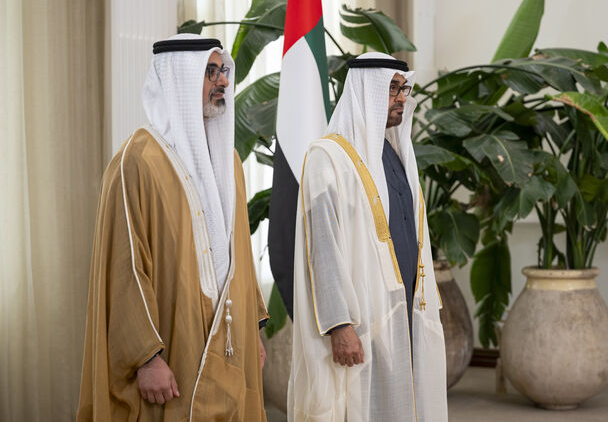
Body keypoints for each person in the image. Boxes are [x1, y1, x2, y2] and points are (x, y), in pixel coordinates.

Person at [77, 34, 269, 421]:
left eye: (222, 71)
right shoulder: (138, 159)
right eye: (209, 72)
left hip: (227, 342)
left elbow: (239, 254)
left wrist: (252, 330)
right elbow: (125, 266)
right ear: (179, 79)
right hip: (172, 348)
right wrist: (147, 357)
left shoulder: (228, 159)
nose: (223, 82)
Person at [288, 52, 447, 421]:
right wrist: (339, 325)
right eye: (392, 89)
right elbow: (322, 249)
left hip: (402, 306)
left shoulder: (396, 152)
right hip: (360, 317)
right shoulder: (327, 157)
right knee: (356, 406)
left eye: (403, 89)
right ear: (365, 91)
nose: (401, 99)